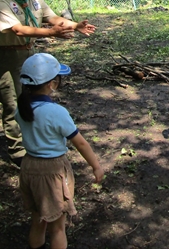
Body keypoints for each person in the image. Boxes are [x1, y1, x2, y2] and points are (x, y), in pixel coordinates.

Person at [0, 0, 96, 165]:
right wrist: (50, 33)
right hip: (7, 56)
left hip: (31, 52)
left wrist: (74, 26)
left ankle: (35, 140)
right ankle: (18, 153)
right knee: (12, 102)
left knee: (35, 96)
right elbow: (18, 29)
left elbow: (52, 18)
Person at [16, 53, 104, 249]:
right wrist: (96, 166)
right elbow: (80, 143)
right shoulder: (56, 112)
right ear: (52, 84)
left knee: (38, 219)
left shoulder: (21, 108)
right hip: (52, 170)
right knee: (58, 226)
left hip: (28, 165)